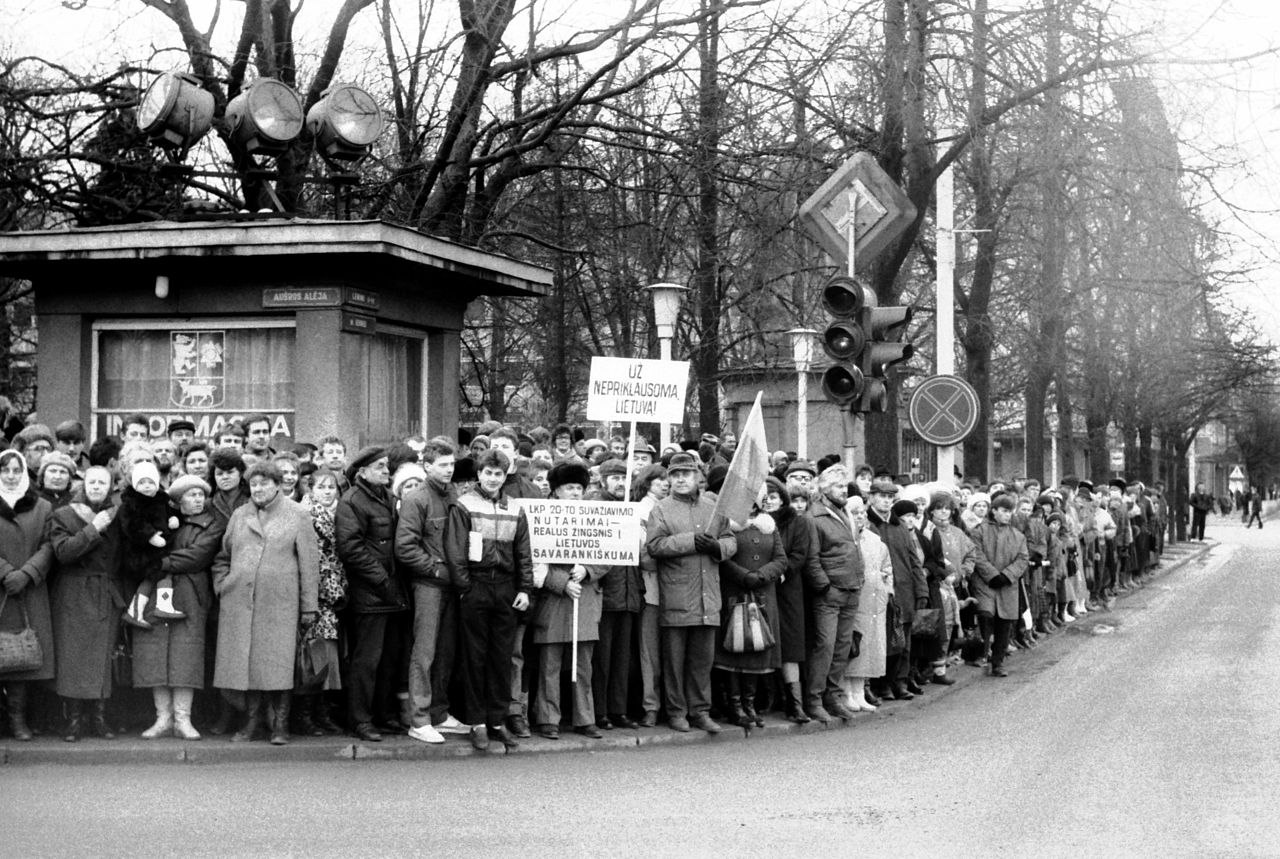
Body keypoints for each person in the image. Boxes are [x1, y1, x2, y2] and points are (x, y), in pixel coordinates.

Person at [212, 461, 319, 744]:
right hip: (240, 605)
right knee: (246, 665)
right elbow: (222, 556)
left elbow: (310, 566)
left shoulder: (298, 514)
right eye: (254, 484)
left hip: (280, 605)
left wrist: (309, 606)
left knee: (279, 666)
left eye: (264, 483)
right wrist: (223, 585)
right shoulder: (239, 515)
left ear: (278, 484)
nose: (258, 489)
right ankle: (252, 722)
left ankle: (280, 725)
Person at [444, 448, 533, 751]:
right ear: (479, 474)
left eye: (498, 473)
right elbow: (456, 553)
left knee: (501, 658)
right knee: (474, 657)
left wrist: (524, 589)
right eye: (487, 473)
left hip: (506, 589)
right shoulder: (464, 505)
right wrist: (465, 587)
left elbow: (524, 553)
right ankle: (476, 721)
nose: (492, 478)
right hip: (477, 587)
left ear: (506, 474)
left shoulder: (516, 508)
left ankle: (497, 720)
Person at [645, 451, 736, 734]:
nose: (681, 479)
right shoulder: (661, 509)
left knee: (702, 661)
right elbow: (655, 546)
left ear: (698, 476)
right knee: (674, 661)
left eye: (686, 474)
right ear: (669, 478)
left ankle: (700, 711)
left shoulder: (713, 507)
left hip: (708, 597)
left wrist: (718, 549)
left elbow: (731, 540)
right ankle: (676, 712)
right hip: (677, 596)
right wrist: (690, 542)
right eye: (675, 475)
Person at [133, 474, 223, 741]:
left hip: (191, 594)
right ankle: (162, 718)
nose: (197, 500)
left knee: (187, 657)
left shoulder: (212, 525)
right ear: (179, 500)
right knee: (156, 655)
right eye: (191, 495)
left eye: (200, 495)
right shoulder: (162, 521)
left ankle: (183, 719)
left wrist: (157, 562)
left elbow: (197, 556)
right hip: (158, 592)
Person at [395, 438, 469, 744]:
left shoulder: (452, 493)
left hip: (451, 585)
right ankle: (419, 719)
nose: (450, 470)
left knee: (445, 653)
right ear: (427, 466)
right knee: (423, 653)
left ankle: (439, 713)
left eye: (452, 464)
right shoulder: (417, 499)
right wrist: (435, 569)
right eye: (443, 465)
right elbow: (405, 547)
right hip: (429, 585)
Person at [336, 445, 409, 742]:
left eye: (386, 466)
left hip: (391, 592)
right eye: (379, 466)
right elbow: (351, 549)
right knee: (367, 659)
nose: (386, 471)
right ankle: (360, 719)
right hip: (371, 593)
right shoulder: (352, 501)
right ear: (363, 471)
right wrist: (383, 581)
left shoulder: (388, 498)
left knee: (390, 658)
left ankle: (383, 713)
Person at [48, 465, 122, 742]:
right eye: (91, 482)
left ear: (110, 487)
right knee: (73, 658)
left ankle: (99, 718)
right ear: (83, 484)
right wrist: (94, 528)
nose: (96, 487)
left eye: (102, 483)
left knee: (102, 658)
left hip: (105, 592)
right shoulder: (64, 514)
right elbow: (63, 553)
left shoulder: (118, 516)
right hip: (73, 592)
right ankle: (74, 720)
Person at [532, 462, 605, 740]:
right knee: (550, 663)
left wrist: (588, 569)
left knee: (583, 664)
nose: (575, 493)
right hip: (554, 600)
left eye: (579, 488)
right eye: (569, 488)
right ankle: (548, 717)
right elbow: (533, 558)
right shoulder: (543, 516)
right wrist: (561, 583)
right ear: (557, 491)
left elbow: (611, 552)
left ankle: (584, 717)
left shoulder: (596, 516)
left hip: (585, 597)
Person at [713, 499, 786, 729]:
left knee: (757, 649)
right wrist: (744, 576)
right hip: (735, 594)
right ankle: (735, 707)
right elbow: (721, 558)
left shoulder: (769, 526)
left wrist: (763, 575)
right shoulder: (726, 525)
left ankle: (749, 704)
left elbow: (781, 559)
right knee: (734, 649)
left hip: (763, 597)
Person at [0, 448, 55, 741]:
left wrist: (26, 574)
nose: (10, 476)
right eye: (5, 470)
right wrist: (6, 572)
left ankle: (18, 719)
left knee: (21, 656)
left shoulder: (43, 507)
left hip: (28, 589)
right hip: (2, 588)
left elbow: (49, 546)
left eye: (16, 470)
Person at [803, 465, 865, 723]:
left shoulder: (845, 513)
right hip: (830, 592)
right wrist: (824, 586)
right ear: (826, 489)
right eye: (839, 486)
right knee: (825, 647)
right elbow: (812, 558)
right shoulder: (814, 517)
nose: (844, 490)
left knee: (841, 648)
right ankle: (814, 699)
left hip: (851, 588)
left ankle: (832, 695)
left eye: (845, 486)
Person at [865, 478, 928, 701]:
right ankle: (881, 684)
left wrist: (922, 591)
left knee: (904, 642)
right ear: (871, 497)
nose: (886, 501)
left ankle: (899, 681)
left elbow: (914, 561)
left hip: (905, 591)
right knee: (882, 640)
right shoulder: (867, 523)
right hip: (879, 591)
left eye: (890, 497)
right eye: (882, 496)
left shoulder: (900, 526)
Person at [591, 458, 642, 730]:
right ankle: (600, 711)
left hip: (628, 592)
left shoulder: (630, 508)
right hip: (605, 593)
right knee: (602, 659)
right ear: (603, 480)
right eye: (615, 478)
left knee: (622, 659)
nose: (621, 483)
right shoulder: (595, 507)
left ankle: (618, 709)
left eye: (624, 478)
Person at [295, 468, 347, 736]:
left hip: (332, 592)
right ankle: (306, 715)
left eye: (331, 487)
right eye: (322, 487)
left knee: (327, 655)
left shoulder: (337, 514)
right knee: (313, 654)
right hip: (315, 592)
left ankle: (320, 712)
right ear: (310, 489)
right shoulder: (306, 515)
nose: (327, 492)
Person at [842, 492, 893, 710]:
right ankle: (847, 693)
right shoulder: (846, 539)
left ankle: (860, 691)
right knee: (854, 646)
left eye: (862, 512)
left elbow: (887, 567)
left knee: (870, 646)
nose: (860, 516)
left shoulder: (876, 541)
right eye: (854, 513)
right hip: (855, 600)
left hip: (875, 602)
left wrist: (886, 588)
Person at [969, 494, 1029, 677]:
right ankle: (981, 653)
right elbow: (976, 554)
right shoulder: (979, 531)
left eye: (1009, 511)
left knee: (1005, 624)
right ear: (993, 511)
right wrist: (992, 575)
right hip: (985, 584)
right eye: (1003, 511)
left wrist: (1007, 575)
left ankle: (998, 662)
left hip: (1007, 585)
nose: (1007, 515)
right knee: (985, 616)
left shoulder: (1017, 536)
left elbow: (1023, 558)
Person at [633, 464, 669, 727]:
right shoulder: (642, 510)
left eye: (667, 480)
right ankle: (651, 704)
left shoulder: (674, 507)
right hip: (652, 587)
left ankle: (672, 704)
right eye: (660, 480)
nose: (665, 484)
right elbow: (643, 554)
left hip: (677, 588)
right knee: (650, 652)